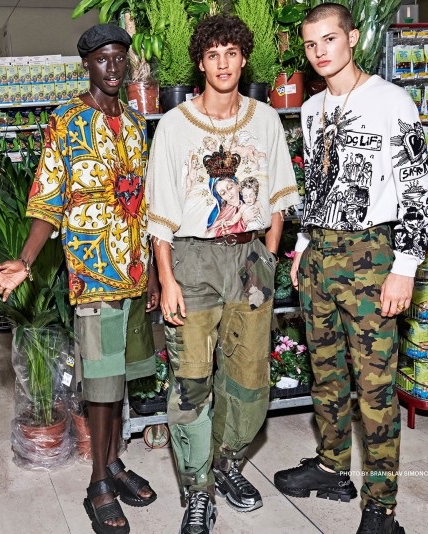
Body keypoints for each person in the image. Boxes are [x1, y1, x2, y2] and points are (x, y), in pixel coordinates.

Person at [0, 24, 159, 534]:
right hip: (94, 276)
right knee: (100, 385)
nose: (113, 67)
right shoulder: (65, 121)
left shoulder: (132, 120)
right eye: (103, 59)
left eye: (120, 58)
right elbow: (47, 201)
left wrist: (148, 273)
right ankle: (98, 484)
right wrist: (26, 260)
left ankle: (114, 462)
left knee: (120, 378)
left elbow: (140, 204)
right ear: (87, 64)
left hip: (132, 271)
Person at [273, 5, 428, 534]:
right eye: (311, 44)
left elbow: (418, 193)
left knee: (376, 388)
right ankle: (332, 468)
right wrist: (300, 247)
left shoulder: (392, 101)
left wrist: (404, 268)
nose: (320, 51)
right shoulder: (313, 107)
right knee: (326, 374)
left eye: (329, 39)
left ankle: (382, 506)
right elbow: (315, 185)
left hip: (372, 259)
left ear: (353, 38)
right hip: (319, 256)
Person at [145, 15, 301, 534]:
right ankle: (197, 488)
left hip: (249, 260)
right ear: (201, 62)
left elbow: (279, 197)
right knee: (191, 379)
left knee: (250, 374)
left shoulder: (264, 119)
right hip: (192, 260)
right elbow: (161, 211)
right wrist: (167, 278)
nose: (224, 63)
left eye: (232, 53)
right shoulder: (173, 124)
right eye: (214, 54)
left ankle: (230, 462)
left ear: (243, 58)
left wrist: (268, 254)